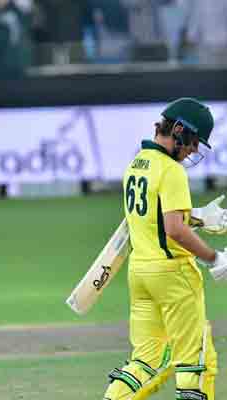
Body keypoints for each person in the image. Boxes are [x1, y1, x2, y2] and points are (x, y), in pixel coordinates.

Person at [104, 98, 226, 400]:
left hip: (141, 273)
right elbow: (173, 229)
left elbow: (153, 220)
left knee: (146, 360)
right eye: (194, 142)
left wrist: (198, 217)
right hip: (174, 275)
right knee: (194, 363)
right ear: (180, 130)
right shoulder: (171, 171)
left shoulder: (136, 164)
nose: (194, 150)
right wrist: (214, 257)